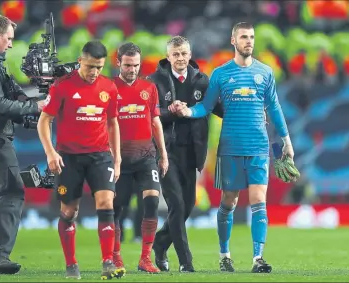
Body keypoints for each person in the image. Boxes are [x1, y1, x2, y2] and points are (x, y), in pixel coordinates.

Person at [174, 22, 297, 273]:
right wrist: (188, 110)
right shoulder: (220, 74)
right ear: (233, 40)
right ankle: (224, 255)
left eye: (251, 37)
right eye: (243, 37)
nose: (248, 41)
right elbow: (206, 107)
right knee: (229, 202)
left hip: (259, 147)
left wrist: (286, 140)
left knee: (258, 200)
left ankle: (258, 258)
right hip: (229, 148)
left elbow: (274, 108)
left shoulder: (266, 73)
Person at [37, 41, 124, 280]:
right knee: (68, 211)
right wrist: (50, 152)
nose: (94, 72)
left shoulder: (109, 87)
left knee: (106, 204)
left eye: (99, 67)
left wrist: (116, 159)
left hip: (100, 156)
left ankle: (107, 261)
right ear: (80, 61)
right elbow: (44, 120)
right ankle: (71, 264)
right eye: (90, 67)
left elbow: (113, 123)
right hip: (69, 158)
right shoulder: (62, 86)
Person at [0, 15, 44, 275]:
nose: (11, 45)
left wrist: (26, 101)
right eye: (9, 39)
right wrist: (35, 106)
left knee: (8, 192)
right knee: (12, 191)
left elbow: (2, 98)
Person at [148, 36, 223, 272]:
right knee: (177, 206)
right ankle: (186, 262)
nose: (180, 58)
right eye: (175, 54)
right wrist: (170, 112)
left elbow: (217, 108)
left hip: (192, 152)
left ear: (190, 55)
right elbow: (149, 113)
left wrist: (247, 110)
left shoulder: (202, 81)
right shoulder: (154, 81)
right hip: (164, 152)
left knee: (188, 204)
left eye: (184, 53)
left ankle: (160, 243)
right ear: (168, 56)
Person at [111, 42, 168, 274]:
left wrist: (163, 154)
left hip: (146, 156)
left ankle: (145, 258)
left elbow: (156, 122)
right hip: (119, 159)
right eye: (127, 65)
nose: (132, 69)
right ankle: (115, 256)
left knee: (152, 201)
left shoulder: (149, 88)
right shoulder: (108, 88)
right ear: (118, 63)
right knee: (117, 208)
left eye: (135, 65)